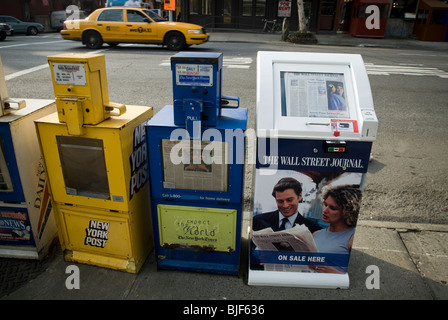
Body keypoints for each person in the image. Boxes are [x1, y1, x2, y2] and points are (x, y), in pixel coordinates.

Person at [312, 185, 362, 273]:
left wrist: (331, 272)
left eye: (333, 208)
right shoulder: (316, 234)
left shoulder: (352, 238)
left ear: (347, 212)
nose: (325, 210)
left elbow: (359, 277)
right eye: (325, 204)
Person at [252, 177, 322, 233]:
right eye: (280, 201)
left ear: (300, 196)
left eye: (289, 200)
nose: (285, 205)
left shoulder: (313, 229)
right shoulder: (258, 221)